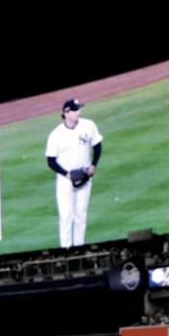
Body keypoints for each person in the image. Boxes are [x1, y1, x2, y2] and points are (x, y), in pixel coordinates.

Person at [44, 98, 103, 249]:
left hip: (85, 176)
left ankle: (79, 247)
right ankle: (66, 249)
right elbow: (50, 161)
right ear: (66, 113)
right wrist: (67, 174)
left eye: (79, 109)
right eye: (75, 110)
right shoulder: (56, 135)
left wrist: (93, 165)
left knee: (81, 215)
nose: (79, 112)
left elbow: (97, 145)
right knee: (65, 216)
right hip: (65, 180)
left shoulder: (88, 125)